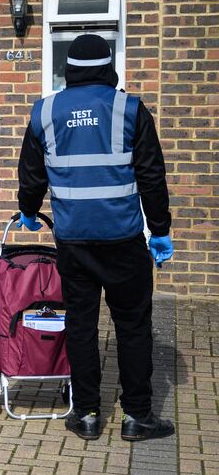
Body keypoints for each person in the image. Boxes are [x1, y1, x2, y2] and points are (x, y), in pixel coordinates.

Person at [17, 34, 175, 442]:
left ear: (68, 69)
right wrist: (159, 230)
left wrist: (30, 211)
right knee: (133, 327)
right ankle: (137, 416)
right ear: (109, 67)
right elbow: (152, 177)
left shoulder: (46, 110)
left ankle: (86, 413)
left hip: (73, 240)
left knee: (82, 325)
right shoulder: (130, 108)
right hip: (123, 238)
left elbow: (32, 173)